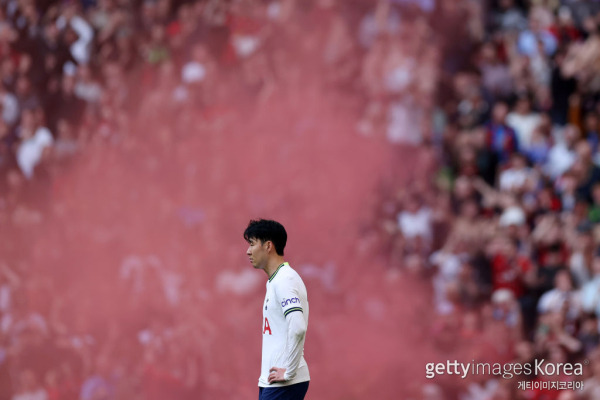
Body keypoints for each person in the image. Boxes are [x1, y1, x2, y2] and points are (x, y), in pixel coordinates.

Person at [244, 219, 310, 400]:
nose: (248, 251)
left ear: (268, 246)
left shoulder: (284, 280)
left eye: (252, 244)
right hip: (274, 381)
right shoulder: (276, 280)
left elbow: (298, 327)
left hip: (285, 382)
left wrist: (289, 373)